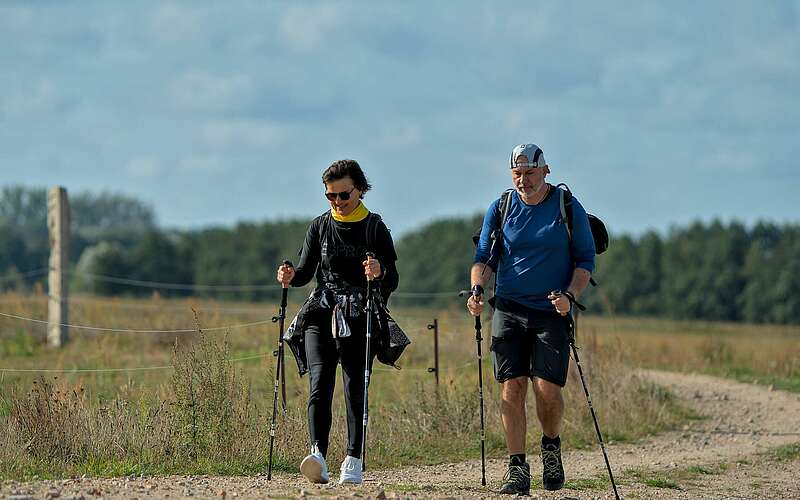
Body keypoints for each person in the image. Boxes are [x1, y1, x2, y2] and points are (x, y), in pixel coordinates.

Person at [466, 143, 595, 495]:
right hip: (508, 308)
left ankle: (551, 446)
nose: (524, 180)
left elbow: (585, 260)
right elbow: (484, 257)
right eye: (517, 174)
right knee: (512, 386)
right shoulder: (502, 207)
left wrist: (569, 296)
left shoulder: (567, 206)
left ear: (545, 171)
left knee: (547, 390)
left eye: (530, 173)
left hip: (552, 310)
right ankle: (517, 467)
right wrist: (477, 289)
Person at [276, 159, 399, 486]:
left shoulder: (374, 228)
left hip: (360, 315)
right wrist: (289, 274)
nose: (337, 203)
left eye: (343, 195)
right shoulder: (318, 226)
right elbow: (304, 273)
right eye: (330, 196)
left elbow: (393, 278)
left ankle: (353, 458)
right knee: (319, 382)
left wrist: (379, 272)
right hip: (321, 311)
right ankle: (317, 454)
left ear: (359, 189)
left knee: (354, 386)